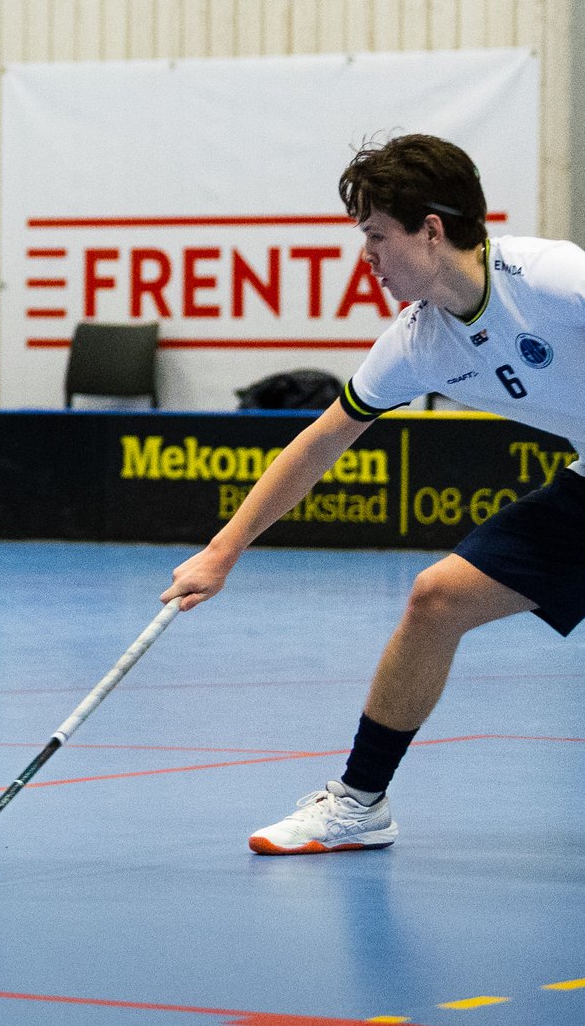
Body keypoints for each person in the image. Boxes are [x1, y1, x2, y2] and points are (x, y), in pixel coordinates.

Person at [163, 133, 585, 855]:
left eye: (377, 235)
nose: (367, 256)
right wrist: (222, 552)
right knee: (436, 599)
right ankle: (360, 804)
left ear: (431, 230)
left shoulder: (550, 277)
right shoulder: (420, 342)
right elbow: (319, 443)